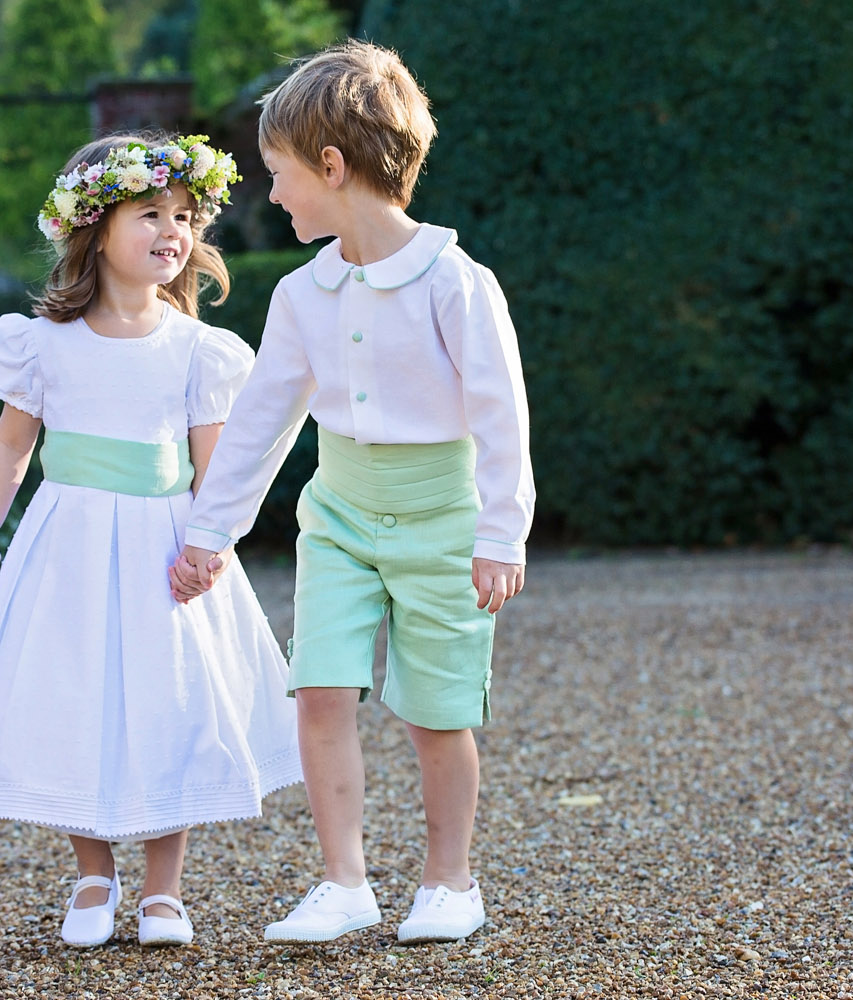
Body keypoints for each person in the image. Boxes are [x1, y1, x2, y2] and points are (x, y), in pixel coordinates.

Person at [170, 40, 534, 945]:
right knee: (321, 689)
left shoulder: (456, 282)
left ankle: (450, 883)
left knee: (435, 711)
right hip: (336, 515)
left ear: (332, 167)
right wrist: (210, 533)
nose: (274, 193)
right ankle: (346, 883)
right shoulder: (303, 294)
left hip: (443, 518)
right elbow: (261, 422)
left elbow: (501, 416)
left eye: (280, 173)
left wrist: (502, 533)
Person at [0, 133, 301, 950]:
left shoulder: (199, 352)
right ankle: (93, 873)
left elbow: (217, 469)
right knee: (78, 697)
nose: (171, 230)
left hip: (163, 549)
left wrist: (211, 547)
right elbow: (10, 446)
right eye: (149, 214)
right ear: (95, 230)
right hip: (67, 547)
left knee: (168, 702)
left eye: (182, 216)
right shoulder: (42, 344)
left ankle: (163, 891)